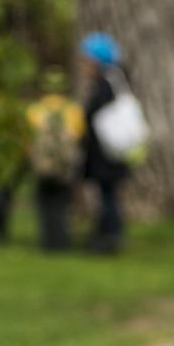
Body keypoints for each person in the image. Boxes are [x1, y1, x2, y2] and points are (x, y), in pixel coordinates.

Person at [79, 32, 131, 255]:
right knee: (107, 195)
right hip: (108, 153)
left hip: (107, 154)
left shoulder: (107, 84)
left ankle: (111, 236)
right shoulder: (114, 79)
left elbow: (94, 115)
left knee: (109, 196)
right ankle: (106, 234)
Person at [24, 73, 87, 252]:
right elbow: (80, 134)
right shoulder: (72, 110)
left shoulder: (36, 110)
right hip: (64, 167)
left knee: (44, 203)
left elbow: (29, 138)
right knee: (62, 203)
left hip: (43, 166)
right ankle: (62, 241)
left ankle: (47, 241)